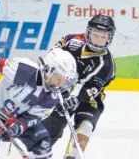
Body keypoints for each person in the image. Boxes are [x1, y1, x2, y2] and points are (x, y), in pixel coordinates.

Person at [41, 14, 116, 159]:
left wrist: (74, 98)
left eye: (103, 37)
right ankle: (38, 151)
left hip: (89, 101)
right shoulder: (70, 41)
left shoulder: (106, 65)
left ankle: (73, 155)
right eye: (95, 35)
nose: (99, 40)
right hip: (62, 92)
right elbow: (52, 57)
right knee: (49, 130)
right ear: (88, 33)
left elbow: (88, 88)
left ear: (109, 38)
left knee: (85, 126)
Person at [0, 48, 77, 159]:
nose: (59, 84)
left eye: (63, 82)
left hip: (18, 118)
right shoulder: (23, 69)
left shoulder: (51, 97)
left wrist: (19, 125)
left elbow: (33, 117)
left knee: (43, 146)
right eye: (58, 78)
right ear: (48, 69)